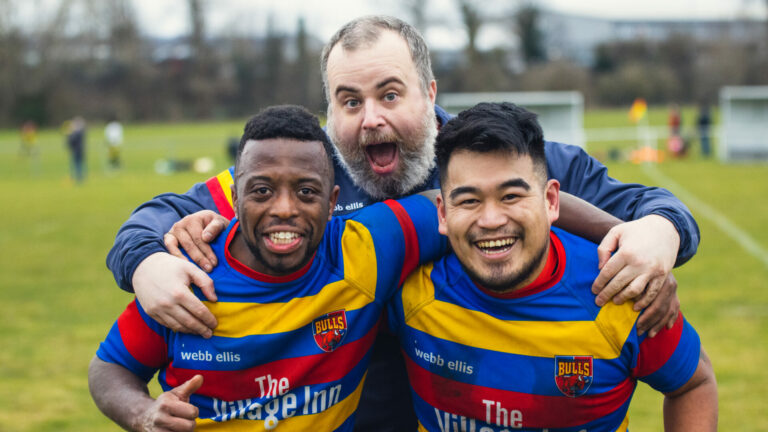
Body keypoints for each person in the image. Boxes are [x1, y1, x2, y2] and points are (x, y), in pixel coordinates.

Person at [106, 16, 699, 431]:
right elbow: (159, 216)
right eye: (350, 100)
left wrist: (660, 234)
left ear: (430, 93)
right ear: (330, 110)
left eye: (390, 95)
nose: (370, 120)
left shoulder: (504, 160)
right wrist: (147, 262)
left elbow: (652, 208)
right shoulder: (306, 180)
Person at [89, 105, 448, 431]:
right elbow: (109, 368)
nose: (284, 209)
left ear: (332, 201)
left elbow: (459, 206)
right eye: (261, 191)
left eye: (307, 192)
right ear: (233, 197)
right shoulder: (189, 271)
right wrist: (143, 414)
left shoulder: (364, 250)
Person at [388, 102, 717, 431]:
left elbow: (693, 383)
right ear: (443, 213)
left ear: (551, 201)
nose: (490, 220)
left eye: (512, 196)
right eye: (469, 201)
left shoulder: (616, 290)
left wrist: (664, 228)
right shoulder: (409, 291)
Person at [67, 116, 87, 183]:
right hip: (80, 151)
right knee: (79, 164)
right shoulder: (81, 132)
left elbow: (71, 141)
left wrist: (70, 133)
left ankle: (78, 178)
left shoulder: (76, 133)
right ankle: (79, 177)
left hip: (77, 151)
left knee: (77, 165)